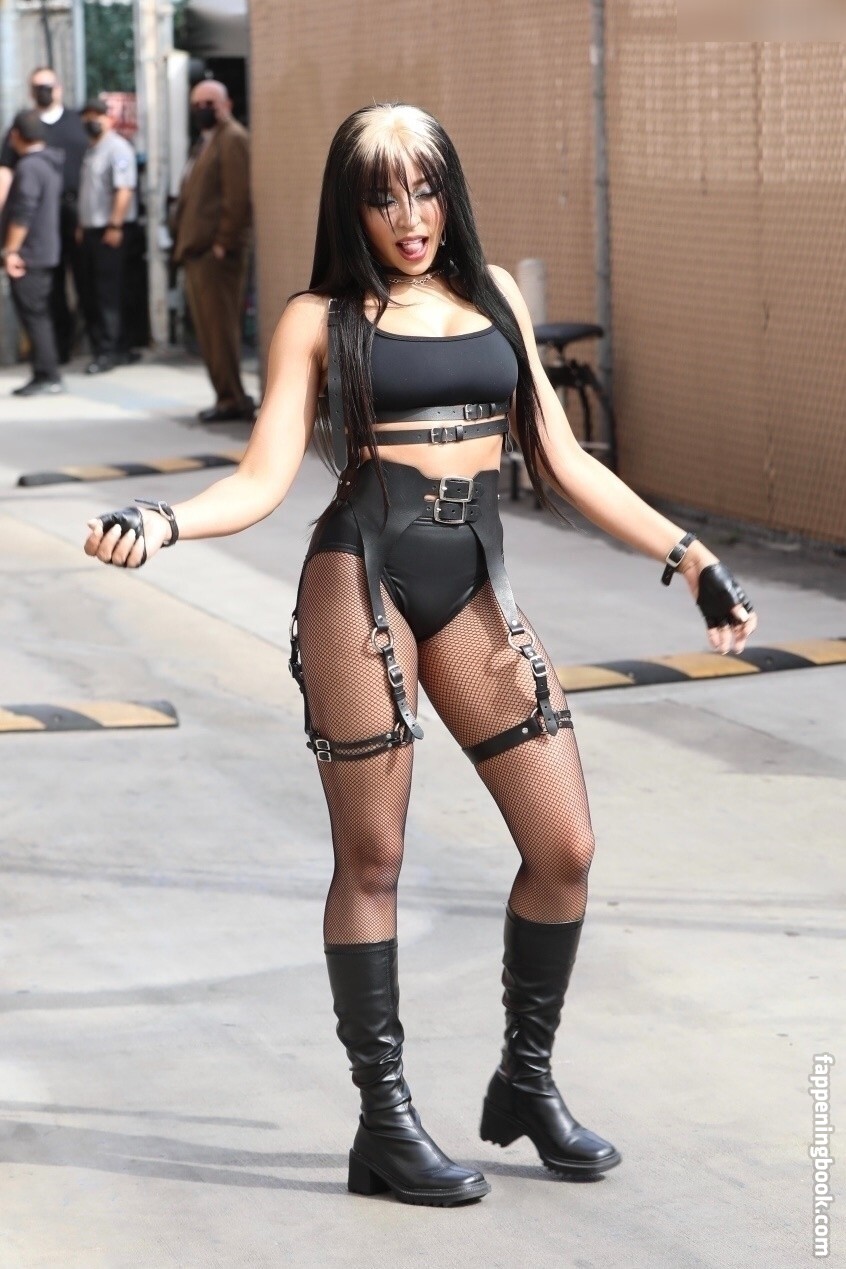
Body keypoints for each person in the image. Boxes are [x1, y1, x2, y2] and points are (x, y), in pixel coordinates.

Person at [84, 103, 757, 1208]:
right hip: (361, 579)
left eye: (426, 188)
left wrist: (692, 559)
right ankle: (384, 1124)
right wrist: (163, 522)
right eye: (383, 195)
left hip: (475, 584)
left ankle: (524, 1081)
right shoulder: (318, 319)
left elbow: (564, 458)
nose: (409, 216)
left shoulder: (492, 299)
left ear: (451, 191)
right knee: (374, 861)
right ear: (351, 208)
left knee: (566, 848)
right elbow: (261, 478)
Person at [170, 79, 254, 422]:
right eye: (197, 103)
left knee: (220, 330)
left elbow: (238, 196)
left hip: (216, 255)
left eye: (210, 102)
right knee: (209, 330)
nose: (203, 109)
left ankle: (231, 399)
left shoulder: (232, 138)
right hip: (197, 252)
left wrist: (223, 243)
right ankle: (225, 395)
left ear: (226, 104)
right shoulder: (205, 142)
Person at [0, 67, 88, 363]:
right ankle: (54, 354)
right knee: (47, 291)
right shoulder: (24, 133)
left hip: (73, 214)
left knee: (86, 282)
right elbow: (7, 179)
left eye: (48, 85)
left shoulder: (74, 124)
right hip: (41, 223)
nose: (44, 91)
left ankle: (89, 349)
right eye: (38, 86)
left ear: (59, 88)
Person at [1, 110, 64, 395]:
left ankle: (47, 374)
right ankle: (44, 373)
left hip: (30, 254)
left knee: (35, 317)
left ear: (16, 135)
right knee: (38, 315)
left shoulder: (29, 167)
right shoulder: (48, 164)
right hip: (43, 250)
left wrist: (11, 250)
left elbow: (23, 212)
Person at [76, 98, 138, 374]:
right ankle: (115, 347)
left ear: (109, 118)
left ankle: (110, 351)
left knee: (107, 293)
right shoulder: (91, 149)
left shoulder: (117, 148)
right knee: (95, 291)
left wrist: (115, 225)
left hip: (109, 231)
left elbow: (124, 189)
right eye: (87, 116)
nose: (92, 121)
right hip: (92, 230)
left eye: (97, 115)